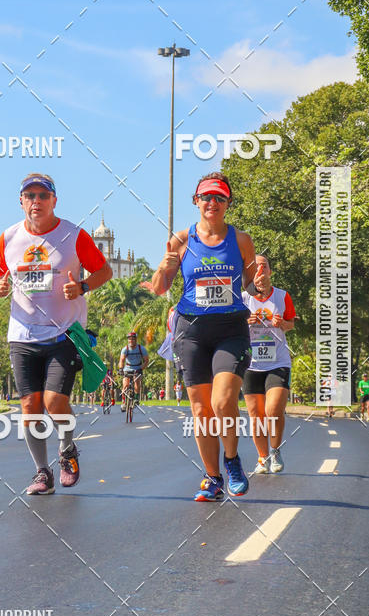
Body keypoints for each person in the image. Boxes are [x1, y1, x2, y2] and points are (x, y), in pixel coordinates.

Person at [0, 173, 112, 495]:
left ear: (54, 200)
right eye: (30, 195)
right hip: (22, 336)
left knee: (55, 402)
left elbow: (104, 271)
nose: (37, 201)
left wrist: (82, 286)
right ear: (22, 201)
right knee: (30, 405)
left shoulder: (74, 235)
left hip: (63, 334)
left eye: (43, 195)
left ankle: (67, 450)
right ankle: (42, 472)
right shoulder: (9, 238)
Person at [151, 172, 260, 501]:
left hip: (230, 330)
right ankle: (212, 479)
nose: (212, 203)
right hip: (192, 332)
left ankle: (232, 461)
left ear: (228, 203)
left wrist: (262, 286)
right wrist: (162, 266)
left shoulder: (241, 240)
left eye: (220, 198)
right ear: (196, 201)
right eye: (207, 197)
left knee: (223, 401)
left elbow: (253, 285)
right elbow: (160, 288)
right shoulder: (181, 240)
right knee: (201, 411)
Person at [242, 255, 296, 474]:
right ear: (250, 274)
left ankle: (275, 450)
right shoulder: (244, 298)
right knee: (256, 414)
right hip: (251, 364)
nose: (260, 270)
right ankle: (262, 457)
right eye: (256, 267)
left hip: (278, 362)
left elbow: (291, 323)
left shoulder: (283, 297)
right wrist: (247, 321)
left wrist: (282, 323)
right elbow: (231, 327)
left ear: (270, 272)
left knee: (273, 410)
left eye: (264, 266)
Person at [118, 331, 148, 410]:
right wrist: (121, 369)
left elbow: (146, 361)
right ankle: (124, 403)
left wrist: (141, 368)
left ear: (136, 340)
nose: (131, 341)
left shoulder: (141, 349)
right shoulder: (125, 349)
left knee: (136, 383)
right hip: (127, 368)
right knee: (125, 384)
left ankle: (136, 399)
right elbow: (121, 360)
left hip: (137, 368)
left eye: (133, 339)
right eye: (130, 339)